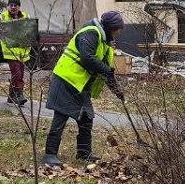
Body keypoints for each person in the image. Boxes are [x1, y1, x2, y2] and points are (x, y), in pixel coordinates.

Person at [43, 11, 125, 167]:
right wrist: (106, 70)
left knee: (86, 117)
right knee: (61, 117)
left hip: (80, 85)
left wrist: (117, 91)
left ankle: (83, 152)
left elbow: (107, 70)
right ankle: (49, 154)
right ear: (109, 28)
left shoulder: (105, 43)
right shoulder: (90, 33)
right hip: (66, 80)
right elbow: (87, 58)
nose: (118, 33)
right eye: (117, 30)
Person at [0, 0, 31, 106]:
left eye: (15, 5)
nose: (13, 7)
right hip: (11, 52)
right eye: (11, 5)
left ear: (19, 6)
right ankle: (19, 95)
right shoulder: (3, 16)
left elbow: (30, 30)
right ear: (8, 6)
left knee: (18, 73)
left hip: (23, 52)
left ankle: (11, 97)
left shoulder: (25, 16)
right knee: (17, 73)